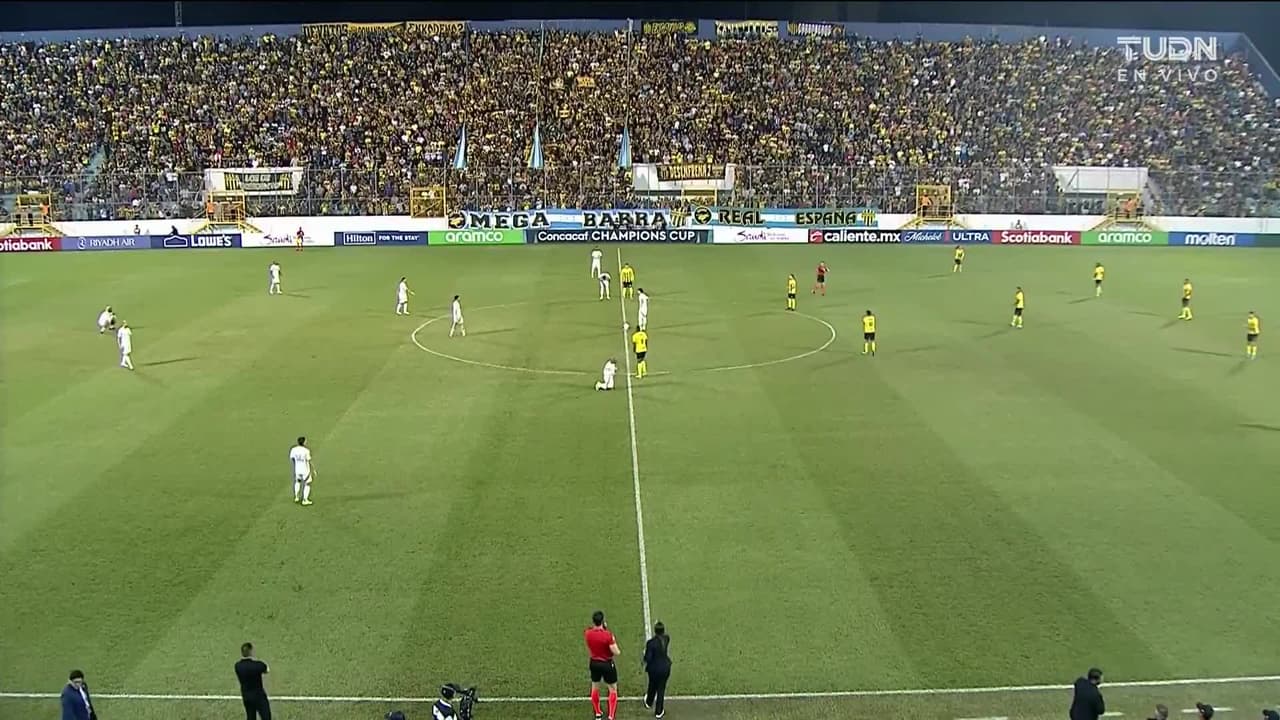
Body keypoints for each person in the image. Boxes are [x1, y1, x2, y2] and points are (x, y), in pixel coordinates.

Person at [584, 610, 621, 720]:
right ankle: (611, 716)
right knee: (612, 689)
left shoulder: (588, 633)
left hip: (594, 662)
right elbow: (616, 652)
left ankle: (598, 713)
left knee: (595, 687)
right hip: (607, 664)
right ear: (603, 621)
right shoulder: (608, 635)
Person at [642, 622, 672, 719]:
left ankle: (649, 702)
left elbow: (648, 658)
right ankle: (659, 711)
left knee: (652, 684)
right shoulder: (666, 638)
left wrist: (645, 654)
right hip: (665, 668)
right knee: (661, 689)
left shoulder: (651, 643)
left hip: (654, 669)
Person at [234, 642, 272, 720]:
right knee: (266, 717)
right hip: (259, 696)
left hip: (247, 697)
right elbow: (267, 670)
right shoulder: (258, 665)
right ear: (251, 651)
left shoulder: (238, 666)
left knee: (250, 717)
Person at [290, 435, 314, 506]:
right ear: (304, 442)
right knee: (307, 484)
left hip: (297, 469)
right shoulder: (306, 450)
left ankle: (296, 496)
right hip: (305, 470)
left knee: (297, 482)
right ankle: (305, 500)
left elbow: (292, 459)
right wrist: (313, 469)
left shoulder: (293, 449)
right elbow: (309, 460)